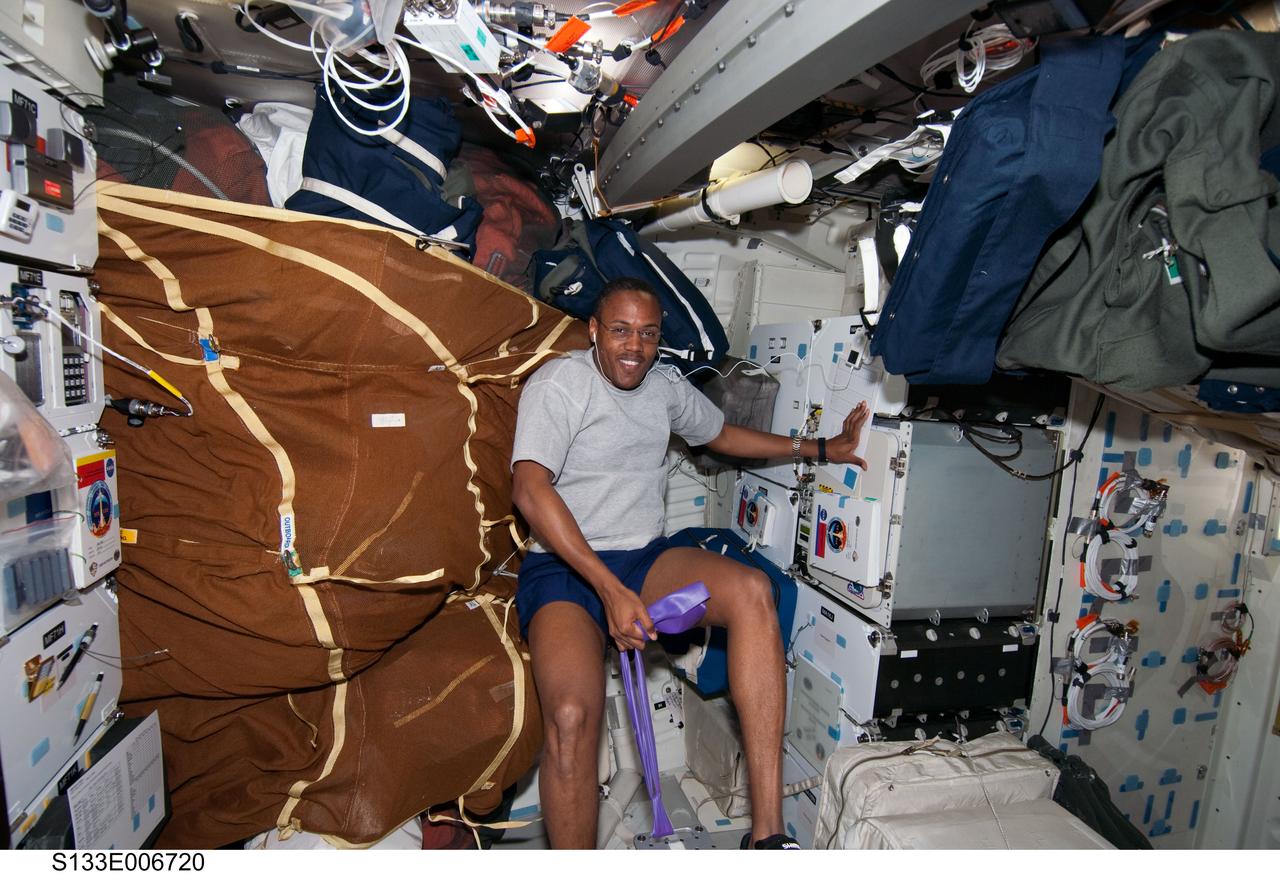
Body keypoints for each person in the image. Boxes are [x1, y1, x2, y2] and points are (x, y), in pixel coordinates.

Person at [511, 277, 871, 849]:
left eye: (648, 334)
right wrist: (608, 590)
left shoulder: (663, 386)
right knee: (572, 717)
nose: (635, 346)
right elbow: (530, 489)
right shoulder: (560, 384)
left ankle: (768, 836)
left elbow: (723, 434)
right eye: (621, 330)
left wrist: (822, 448)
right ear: (594, 331)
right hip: (564, 568)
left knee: (753, 591)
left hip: (642, 559)